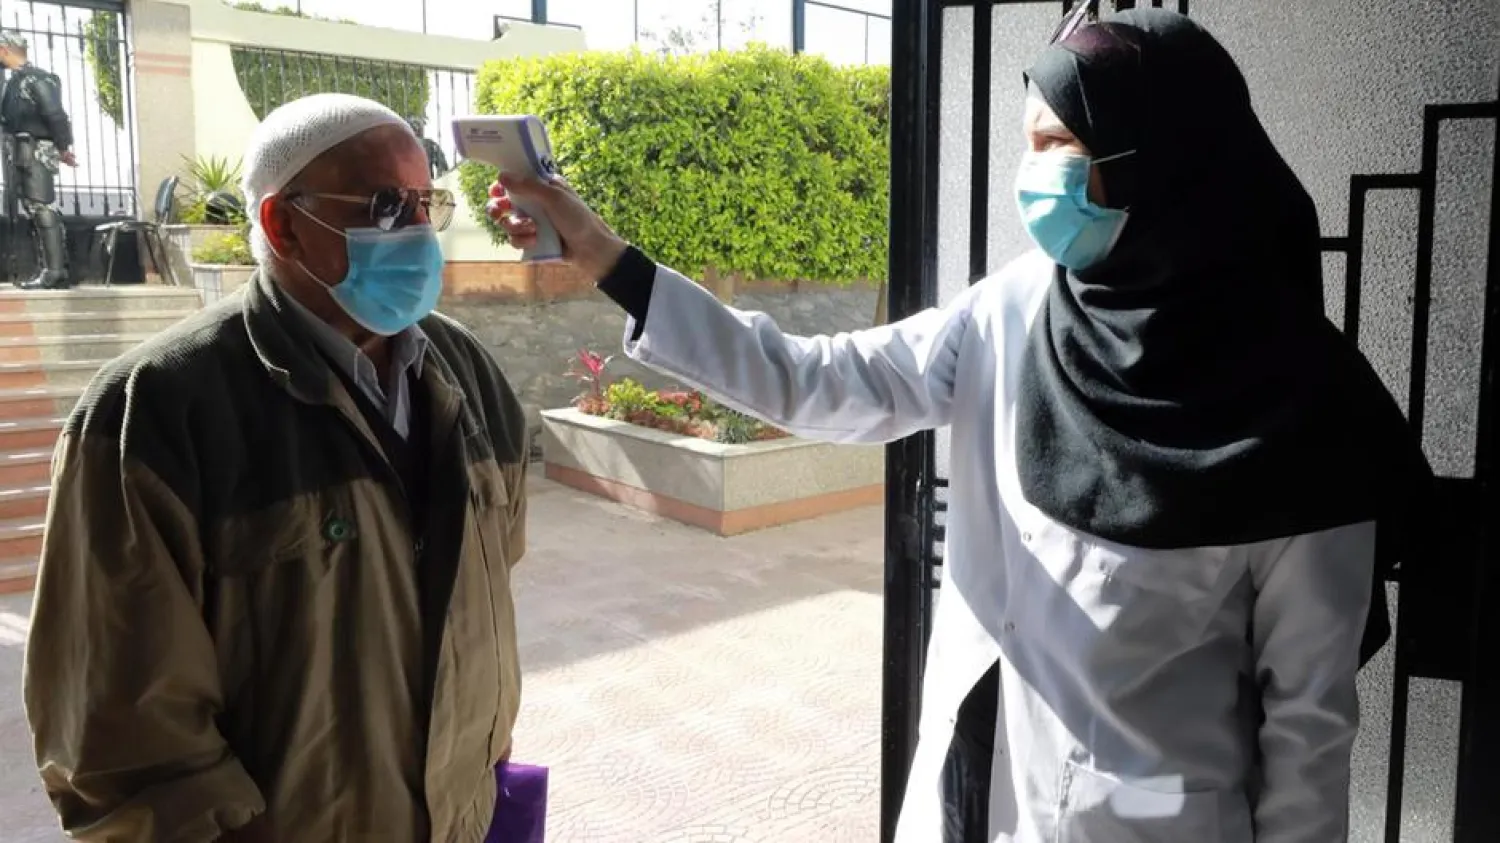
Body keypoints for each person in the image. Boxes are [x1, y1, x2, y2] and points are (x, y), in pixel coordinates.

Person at [490, 8, 1432, 842]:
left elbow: (1307, 726)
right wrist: (610, 259)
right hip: (975, 783)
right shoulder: (1019, 310)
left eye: (1067, 145)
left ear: (1170, 161)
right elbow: (817, 381)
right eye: (1033, 142)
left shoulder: (1302, 415)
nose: (1038, 176)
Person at [25, 93, 529, 842]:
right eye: (388, 205)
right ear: (282, 223)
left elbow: (485, 599)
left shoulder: (469, 375)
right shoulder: (155, 415)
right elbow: (123, 743)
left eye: (428, 203)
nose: (420, 233)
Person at [0, 30, 76, 290]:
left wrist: (63, 147)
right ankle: (52, 270)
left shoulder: (37, 78)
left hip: (35, 149)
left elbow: (55, 113)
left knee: (42, 207)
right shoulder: (16, 80)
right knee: (36, 208)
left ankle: (55, 272)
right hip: (21, 150)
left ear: (4, 50)